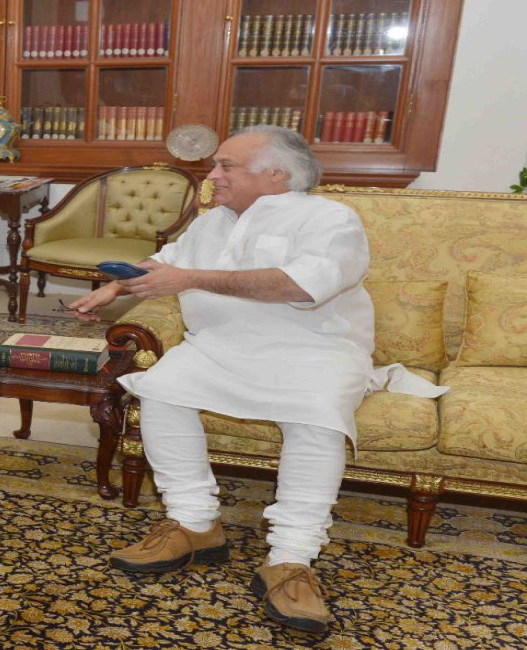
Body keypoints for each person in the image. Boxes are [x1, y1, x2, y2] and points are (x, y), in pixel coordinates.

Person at [67, 125, 440, 634]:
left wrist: (190, 279)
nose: (212, 175)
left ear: (276, 173)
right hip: (218, 347)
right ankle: (194, 523)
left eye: (227, 166)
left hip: (315, 351)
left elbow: (300, 285)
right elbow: (167, 262)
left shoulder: (329, 219)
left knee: (317, 417)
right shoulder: (213, 221)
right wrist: (114, 286)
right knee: (160, 389)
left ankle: (291, 559)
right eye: (215, 165)